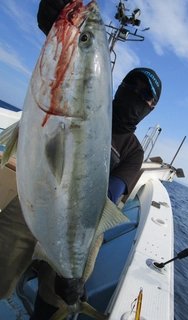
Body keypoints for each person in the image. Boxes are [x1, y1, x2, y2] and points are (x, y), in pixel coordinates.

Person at [0, 1, 162, 319]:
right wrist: (62, 23)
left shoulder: (133, 151)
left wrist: (72, 265)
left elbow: (110, 196)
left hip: (81, 227)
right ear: (115, 85)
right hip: (33, 202)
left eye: (145, 94)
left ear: (151, 107)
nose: (135, 94)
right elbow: (66, 65)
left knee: (56, 301)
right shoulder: (82, 100)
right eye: (131, 85)